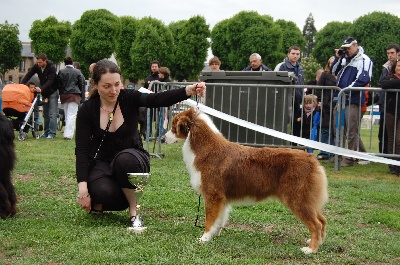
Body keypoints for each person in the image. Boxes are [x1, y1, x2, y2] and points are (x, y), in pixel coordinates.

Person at [75, 59, 206, 228]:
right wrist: (83, 189)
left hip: (132, 157)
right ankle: (102, 200)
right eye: (106, 86)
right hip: (102, 162)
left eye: (117, 84)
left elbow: (157, 99)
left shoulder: (129, 98)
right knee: (102, 191)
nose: (114, 90)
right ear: (95, 84)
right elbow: (82, 150)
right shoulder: (87, 110)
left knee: (125, 160)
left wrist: (188, 90)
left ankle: (134, 212)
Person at [331, 37, 372, 167]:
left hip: (352, 100)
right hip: (341, 98)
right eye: (345, 48)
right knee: (338, 127)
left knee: (351, 130)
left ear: (355, 46)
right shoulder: (344, 60)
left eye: (348, 48)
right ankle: (339, 154)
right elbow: (333, 71)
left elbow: (364, 78)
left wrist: (346, 91)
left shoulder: (364, 59)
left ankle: (350, 157)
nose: (346, 50)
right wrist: (337, 58)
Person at [21, 53, 59, 139]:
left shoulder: (51, 68)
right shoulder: (37, 67)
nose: (39, 64)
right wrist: (21, 84)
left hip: (53, 91)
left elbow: (50, 81)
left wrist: (41, 88)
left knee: (52, 113)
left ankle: (52, 133)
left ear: (45, 61)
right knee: (45, 114)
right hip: (45, 92)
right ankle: (46, 132)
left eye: (40, 62)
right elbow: (28, 75)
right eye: (38, 62)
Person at [275, 46, 305, 142]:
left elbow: (301, 83)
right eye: (293, 53)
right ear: (288, 54)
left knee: (296, 125)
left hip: (297, 101)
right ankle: (281, 145)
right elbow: (274, 82)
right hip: (284, 101)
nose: (295, 56)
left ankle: (294, 147)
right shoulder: (281, 66)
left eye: (297, 54)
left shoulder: (300, 68)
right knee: (283, 125)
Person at [378, 44, 400, 155]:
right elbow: (383, 83)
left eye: (392, 53)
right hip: (388, 106)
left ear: (398, 53)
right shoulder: (386, 69)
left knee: (398, 138)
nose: (389, 55)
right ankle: (388, 160)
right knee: (386, 135)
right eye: (388, 53)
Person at [57, 56, 85, 140]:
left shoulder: (61, 72)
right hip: (74, 94)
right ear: (72, 63)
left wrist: (62, 91)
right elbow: (81, 83)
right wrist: (79, 92)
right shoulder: (77, 72)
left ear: (64, 63)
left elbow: (59, 83)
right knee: (72, 115)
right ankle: (68, 134)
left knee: (66, 114)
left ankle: (66, 132)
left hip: (64, 95)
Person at [381, 57, 400, 175]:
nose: (399, 68)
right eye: (398, 66)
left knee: (398, 139)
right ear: (395, 67)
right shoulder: (390, 77)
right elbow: (384, 84)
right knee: (391, 138)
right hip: (391, 111)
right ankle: (392, 165)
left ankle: (398, 164)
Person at [316, 57, 337, 160]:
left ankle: (333, 152)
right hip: (326, 105)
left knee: (335, 129)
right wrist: (321, 101)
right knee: (325, 129)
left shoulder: (342, 74)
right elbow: (318, 89)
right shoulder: (325, 75)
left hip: (337, 104)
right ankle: (324, 152)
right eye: (331, 62)